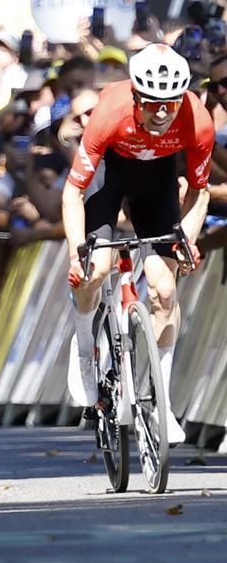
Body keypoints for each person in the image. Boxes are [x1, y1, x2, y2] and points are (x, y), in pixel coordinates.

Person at [63, 43, 212, 446]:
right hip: (110, 175)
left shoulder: (197, 119)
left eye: (169, 104)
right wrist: (79, 251)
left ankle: (159, 402)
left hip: (157, 180)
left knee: (164, 289)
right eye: (151, 104)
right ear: (135, 97)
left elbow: (200, 192)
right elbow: (72, 193)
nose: (161, 113)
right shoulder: (109, 115)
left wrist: (187, 241)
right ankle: (83, 349)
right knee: (96, 270)